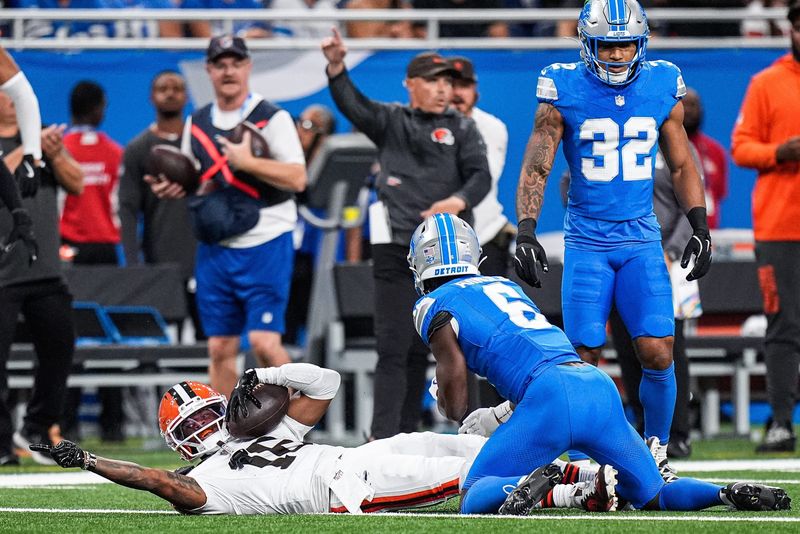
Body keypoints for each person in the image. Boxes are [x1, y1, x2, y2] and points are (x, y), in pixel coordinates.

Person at [409, 212, 789, 515]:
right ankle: (724, 493)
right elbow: (535, 358)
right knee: (654, 492)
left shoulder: (431, 304)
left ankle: (560, 490)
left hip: (549, 397)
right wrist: (498, 415)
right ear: (473, 254)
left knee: (473, 492)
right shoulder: (506, 287)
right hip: (592, 384)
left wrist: (451, 406)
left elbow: (457, 385)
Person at [512, 0, 712, 480]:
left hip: (641, 237)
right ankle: (582, 460)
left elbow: (682, 163)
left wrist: (700, 224)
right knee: (583, 355)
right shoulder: (563, 86)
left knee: (658, 348)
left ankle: (656, 450)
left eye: (626, 44)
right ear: (588, 44)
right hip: (587, 240)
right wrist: (526, 228)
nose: (619, 55)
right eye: (609, 44)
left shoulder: (662, 82)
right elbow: (539, 163)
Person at [34, 362, 614, 514]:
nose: (208, 427)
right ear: (181, 445)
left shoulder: (258, 436)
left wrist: (266, 376)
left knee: (473, 444)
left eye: (208, 413)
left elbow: (326, 383)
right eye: (192, 427)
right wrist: (90, 459)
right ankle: (587, 488)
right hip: (343, 488)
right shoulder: (202, 483)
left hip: (357, 456)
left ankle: (594, 474)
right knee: (474, 476)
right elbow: (159, 481)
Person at [321, 28, 491, 439]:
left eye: (447, 81)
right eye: (432, 80)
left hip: (447, 259)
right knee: (394, 348)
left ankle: (435, 436)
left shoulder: (463, 128)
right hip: (397, 250)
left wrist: (456, 201)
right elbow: (354, 105)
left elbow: (481, 177)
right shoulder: (392, 121)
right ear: (410, 85)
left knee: (441, 348)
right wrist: (337, 68)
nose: (442, 89)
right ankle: (384, 439)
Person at [148, 35, 307, 398]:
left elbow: (298, 178)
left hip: (266, 239)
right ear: (209, 71)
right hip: (216, 247)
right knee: (220, 347)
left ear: (248, 67)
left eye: (236, 63)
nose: (228, 71)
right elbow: (195, 181)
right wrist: (174, 187)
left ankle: (299, 424)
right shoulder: (197, 122)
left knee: (265, 343)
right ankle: (225, 440)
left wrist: (248, 162)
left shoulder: (272, 118)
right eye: (220, 64)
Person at [0, 46, 81, 466]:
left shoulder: (42, 137)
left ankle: (37, 425)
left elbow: (78, 183)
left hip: (45, 268)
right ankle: (0, 445)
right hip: (1, 272)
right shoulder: (16, 144)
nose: (12, 99)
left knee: (59, 347)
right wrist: (28, 150)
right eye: (6, 91)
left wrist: (54, 151)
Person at [731, 0, 800, 453]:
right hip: (780, 228)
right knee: (784, 326)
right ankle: (780, 424)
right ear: (791, 29)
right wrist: (781, 152)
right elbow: (741, 147)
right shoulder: (767, 83)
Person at [118, 70, 203, 341]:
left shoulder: (201, 144)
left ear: (187, 97)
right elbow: (128, 208)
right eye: (163, 88)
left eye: (177, 88)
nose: (170, 93)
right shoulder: (138, 148)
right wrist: (133, 264)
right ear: (151, 97)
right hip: (161, 259)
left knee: (210, 339)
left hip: (204, 256)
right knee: (164, 343)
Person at [448, 55, 511, 278]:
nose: (457, 93)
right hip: (438, 243)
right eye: (451, 85)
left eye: (464, 86)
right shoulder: (420, 126)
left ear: (475, 89)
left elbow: (484, 178)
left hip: (484, 237)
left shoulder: (491, 127)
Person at [683, 88, 728, 229]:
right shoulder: (661, 148)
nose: (689, 111)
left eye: (693, 105)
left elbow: (719, 193)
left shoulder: (715, 150)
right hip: (672, 235)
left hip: (709, 232)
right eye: (684, 105)